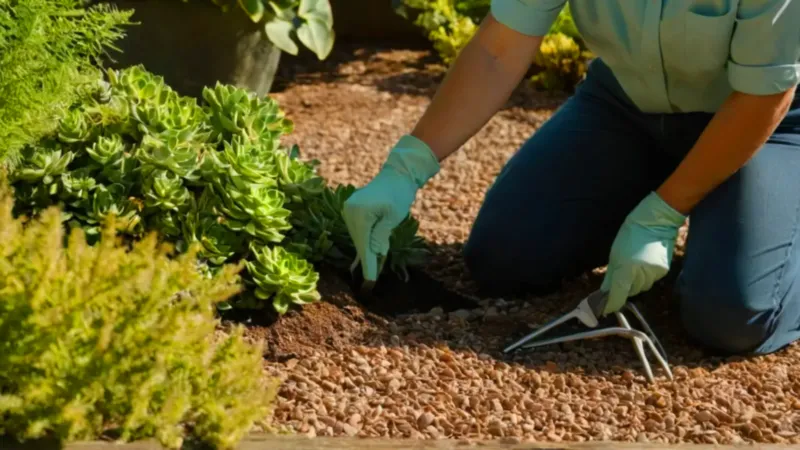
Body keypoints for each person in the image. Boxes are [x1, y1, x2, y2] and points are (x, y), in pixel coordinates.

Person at [342, 0, 800, 356]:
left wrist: (663, 212)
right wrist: (406, 168)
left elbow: (764, 97)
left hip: (766, 122)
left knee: (731, 314)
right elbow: (498, 50)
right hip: (628, 106)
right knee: (507, 257)